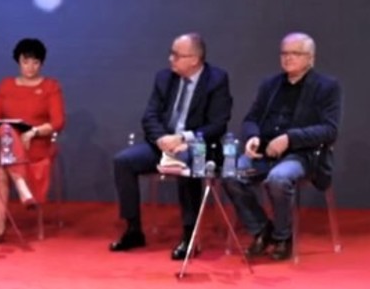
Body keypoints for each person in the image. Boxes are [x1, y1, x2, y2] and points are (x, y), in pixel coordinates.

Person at [109, 33, 232, 259]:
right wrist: (162, 139)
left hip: (196, 146)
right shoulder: (164, 78)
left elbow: (217, 125)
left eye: (176, 55)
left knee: (184, 163)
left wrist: (184, 139)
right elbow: (150, 117)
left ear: (194, 59)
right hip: (163, 144)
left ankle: (189, 236)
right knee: (123, 161)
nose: (170, 59)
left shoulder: (216, 80)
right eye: (171, 53)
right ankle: (133, 230)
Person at [222, 32, 342, 261]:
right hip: (265, 152)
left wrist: (290, 138)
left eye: (295, 53)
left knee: (278, 179)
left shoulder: (327, 87)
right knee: (231, 175)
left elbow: (330, 130)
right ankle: (261, 229)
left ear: (311, 58)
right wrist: (252, 137)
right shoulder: (270, 85)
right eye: (284, 53)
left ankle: (282, 236)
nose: (288, 58)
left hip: (302, 154)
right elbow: (251, 119)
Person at [0, 38, 65, 244]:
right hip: (7, 145)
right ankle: (18, 191)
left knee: (0, 159)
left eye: (35, 62)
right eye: (25, 62)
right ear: (18, 62)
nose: (30, 67)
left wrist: (33, 132)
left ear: (41, 64)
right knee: (5, 134)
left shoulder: (50, 86)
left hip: (35, 145)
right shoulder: (6, 85)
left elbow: (58, 122)